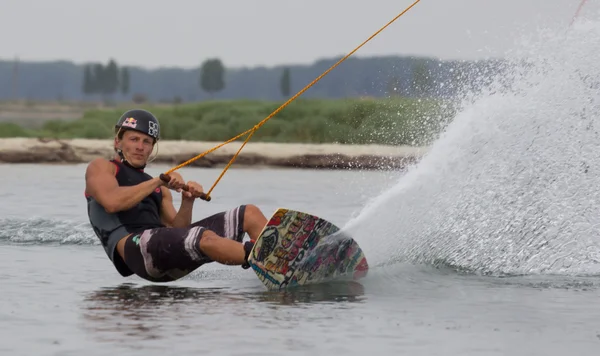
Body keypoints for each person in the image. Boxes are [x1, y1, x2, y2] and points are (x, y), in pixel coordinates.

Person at [84, 108, 268, 282]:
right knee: (204, 236)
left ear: (152, 148)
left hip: (166, 254)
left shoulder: (159, 188)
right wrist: (158, 181)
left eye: (146, 142)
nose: (140, 147)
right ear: (118, 142)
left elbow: (178, 230)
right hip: (136, 252)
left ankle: (278, 258)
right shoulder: (102, 167)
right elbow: (112, 202)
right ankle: (265, 260)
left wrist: (188, 200)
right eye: (134, 139)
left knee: (249, 214)